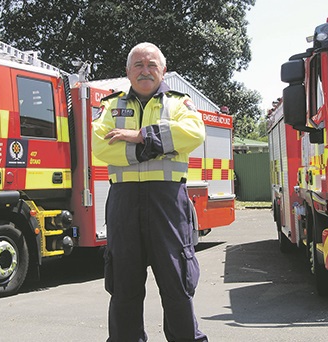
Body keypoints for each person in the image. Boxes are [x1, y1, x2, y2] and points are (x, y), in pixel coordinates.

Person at [91, 42, 208, 342]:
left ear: (163, 70)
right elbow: (100, 145)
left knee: (177, 285)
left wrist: (142, 135)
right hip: (124, 206)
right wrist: (155, 148)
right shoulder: (110, 106)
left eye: (151, 65)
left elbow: (194, 133)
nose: (145, 71)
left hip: (167, 204)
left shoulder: (180, 104)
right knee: (124, 287)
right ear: (127, 72)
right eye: (138, 65)